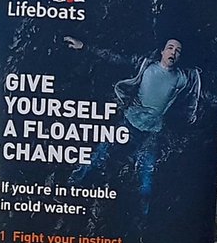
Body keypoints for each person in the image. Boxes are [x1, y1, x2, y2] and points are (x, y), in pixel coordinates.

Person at [63, 36, 204, 214]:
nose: (173, 52)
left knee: (146, 178)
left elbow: (202, 95)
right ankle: (69, 188)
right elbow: (114, 58)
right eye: (170, 48)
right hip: (129, 122)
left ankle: (142, 218)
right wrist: (84, 46)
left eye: (177, 51)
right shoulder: (145, 66)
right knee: (97, 156)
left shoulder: (183, 79)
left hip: (152, 133)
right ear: (162, 51)